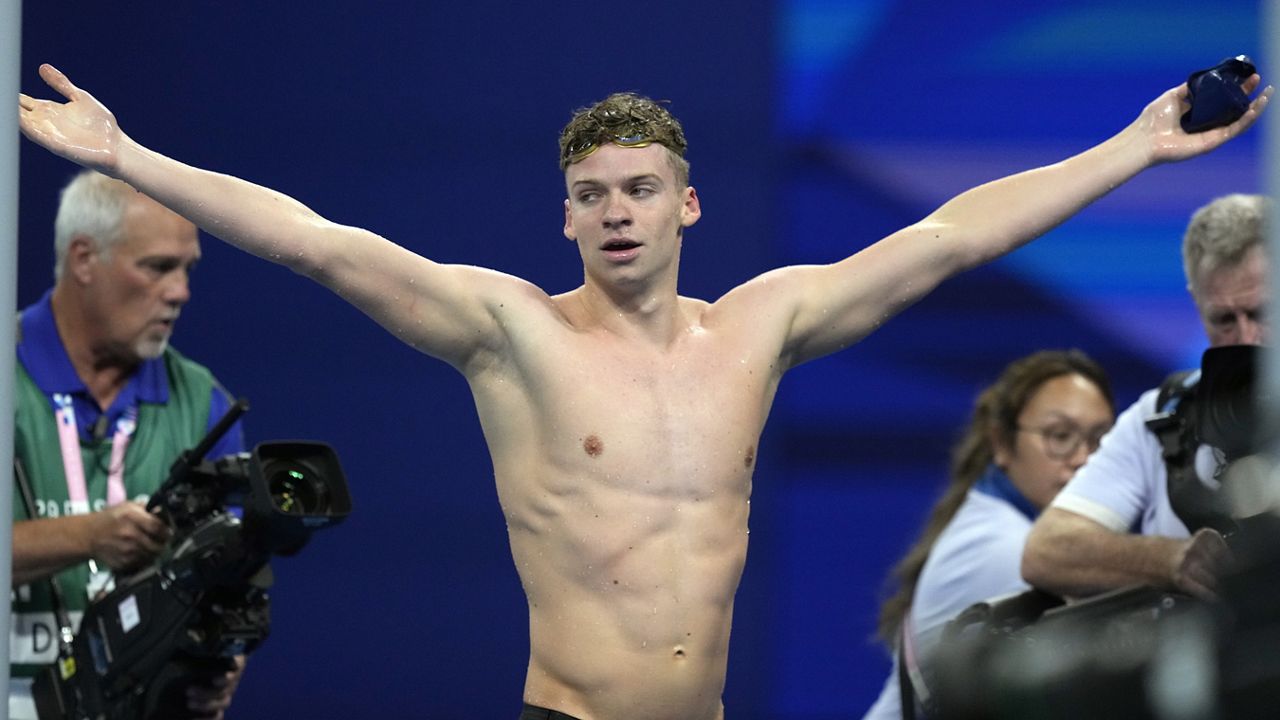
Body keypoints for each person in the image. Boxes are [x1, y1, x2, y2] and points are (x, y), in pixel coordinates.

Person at [16, 65, 1269, 720]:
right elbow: (318, 239)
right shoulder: (509, 334)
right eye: (591, 194)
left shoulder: (760, 328)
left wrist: (1132, 148)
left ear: (687, 204)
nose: (616, 213)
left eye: (639, 188)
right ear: (562, 217)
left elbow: (950, 235)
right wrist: (132, 158)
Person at [9, 170, 247, 719]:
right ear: (85, 259)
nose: (181, 291)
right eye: (159, 267)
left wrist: (221, 660)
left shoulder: (204, 402)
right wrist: (90, 535)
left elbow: (225, 578)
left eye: (188, 269)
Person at [1023, 194, 1269, 603]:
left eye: (1264, 313)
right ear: (1197, 304)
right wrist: (1169, 560)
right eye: (1224, 319)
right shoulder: (1162, 417)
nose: (1246, 338)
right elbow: (1046, 550)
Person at [862, 350, 1115, 720]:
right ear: (1001, 443)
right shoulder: (1006, 549)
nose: (1083, 458)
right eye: (1059, 436)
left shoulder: (995, 519)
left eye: (1100, 439)